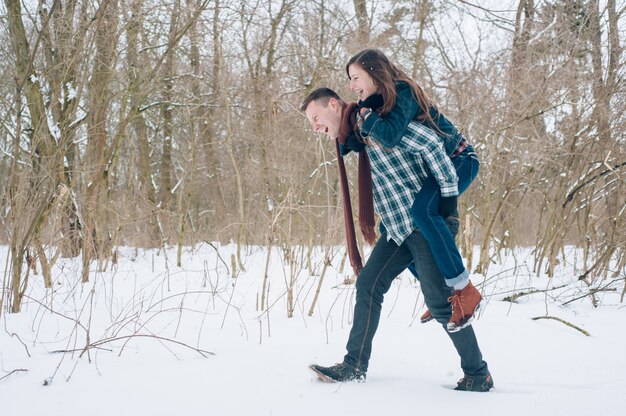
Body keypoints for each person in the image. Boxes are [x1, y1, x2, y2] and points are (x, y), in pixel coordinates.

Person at [300, 88, 493, 391]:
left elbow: (429, 143)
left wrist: (445, 204)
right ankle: (354, 365)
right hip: (395, 227)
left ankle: (478, 373)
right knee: (368, 284)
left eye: (315, 118)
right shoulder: (356, 136)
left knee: (442, 304)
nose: (314, 127)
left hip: (419, 226)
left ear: (334, 105)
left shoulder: (377, 125)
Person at [347, 48, 481, 330]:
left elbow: (390, 136)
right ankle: (440, 294)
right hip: (438, 167)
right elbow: (364, 139)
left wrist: (367, 118)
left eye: (355, 77)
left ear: (374, 73)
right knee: (397, 230)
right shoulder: (377, 102)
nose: (352, 85)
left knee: (421, 212)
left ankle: (464, 289)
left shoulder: (403, 91)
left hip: (459, 160)